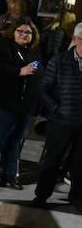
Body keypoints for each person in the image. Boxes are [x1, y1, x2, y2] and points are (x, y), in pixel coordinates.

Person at [0, 20, 43, 193]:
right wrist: (19, 71)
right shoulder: (3, 47)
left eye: (28, 33)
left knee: (14, 142)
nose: (23, 35)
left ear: (33, 36)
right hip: (2, 103)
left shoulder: (34, 52)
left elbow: (37, 75)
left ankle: (10, 176)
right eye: (20, 31)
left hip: (23, 106)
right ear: (13, 33)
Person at [32, 23, 82, 211]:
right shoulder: (60, 60)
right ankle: (42, 195)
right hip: (61, 120)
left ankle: (77, 197)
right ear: (75, 40)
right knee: (52, 159)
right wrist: (56, 108)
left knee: (79, 162)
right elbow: (44, 89)